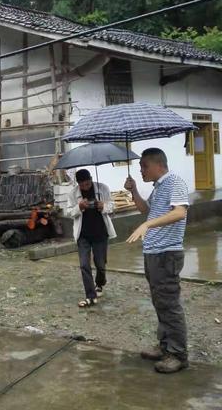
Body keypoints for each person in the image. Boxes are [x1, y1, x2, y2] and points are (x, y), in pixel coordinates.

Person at [125, 148, 189, 374]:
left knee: (169, 305)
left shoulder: (174, 182)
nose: (141, 170)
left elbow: (179, 212)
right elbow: (148, 211)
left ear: (157, 165)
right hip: (153, 253)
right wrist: (134, 192)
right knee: (160, 302)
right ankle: (165, 346)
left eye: (144, 166)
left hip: (167, 253)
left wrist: (147, 226)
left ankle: (178, 354)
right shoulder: (160, 186)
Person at [66, 169, 116, 308]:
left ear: (91, 179)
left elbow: (113, 206)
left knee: (100, 264)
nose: (85, 186)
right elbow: (69, 212)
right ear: (78, 183)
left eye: (87, 183)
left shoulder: (103, 188)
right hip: (83, 235)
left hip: (100, 233)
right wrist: (79, 207)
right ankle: (90, 295)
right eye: (82, 185)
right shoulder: (73, 194)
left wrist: (103, 206)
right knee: (84, 265)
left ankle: (100, 283)